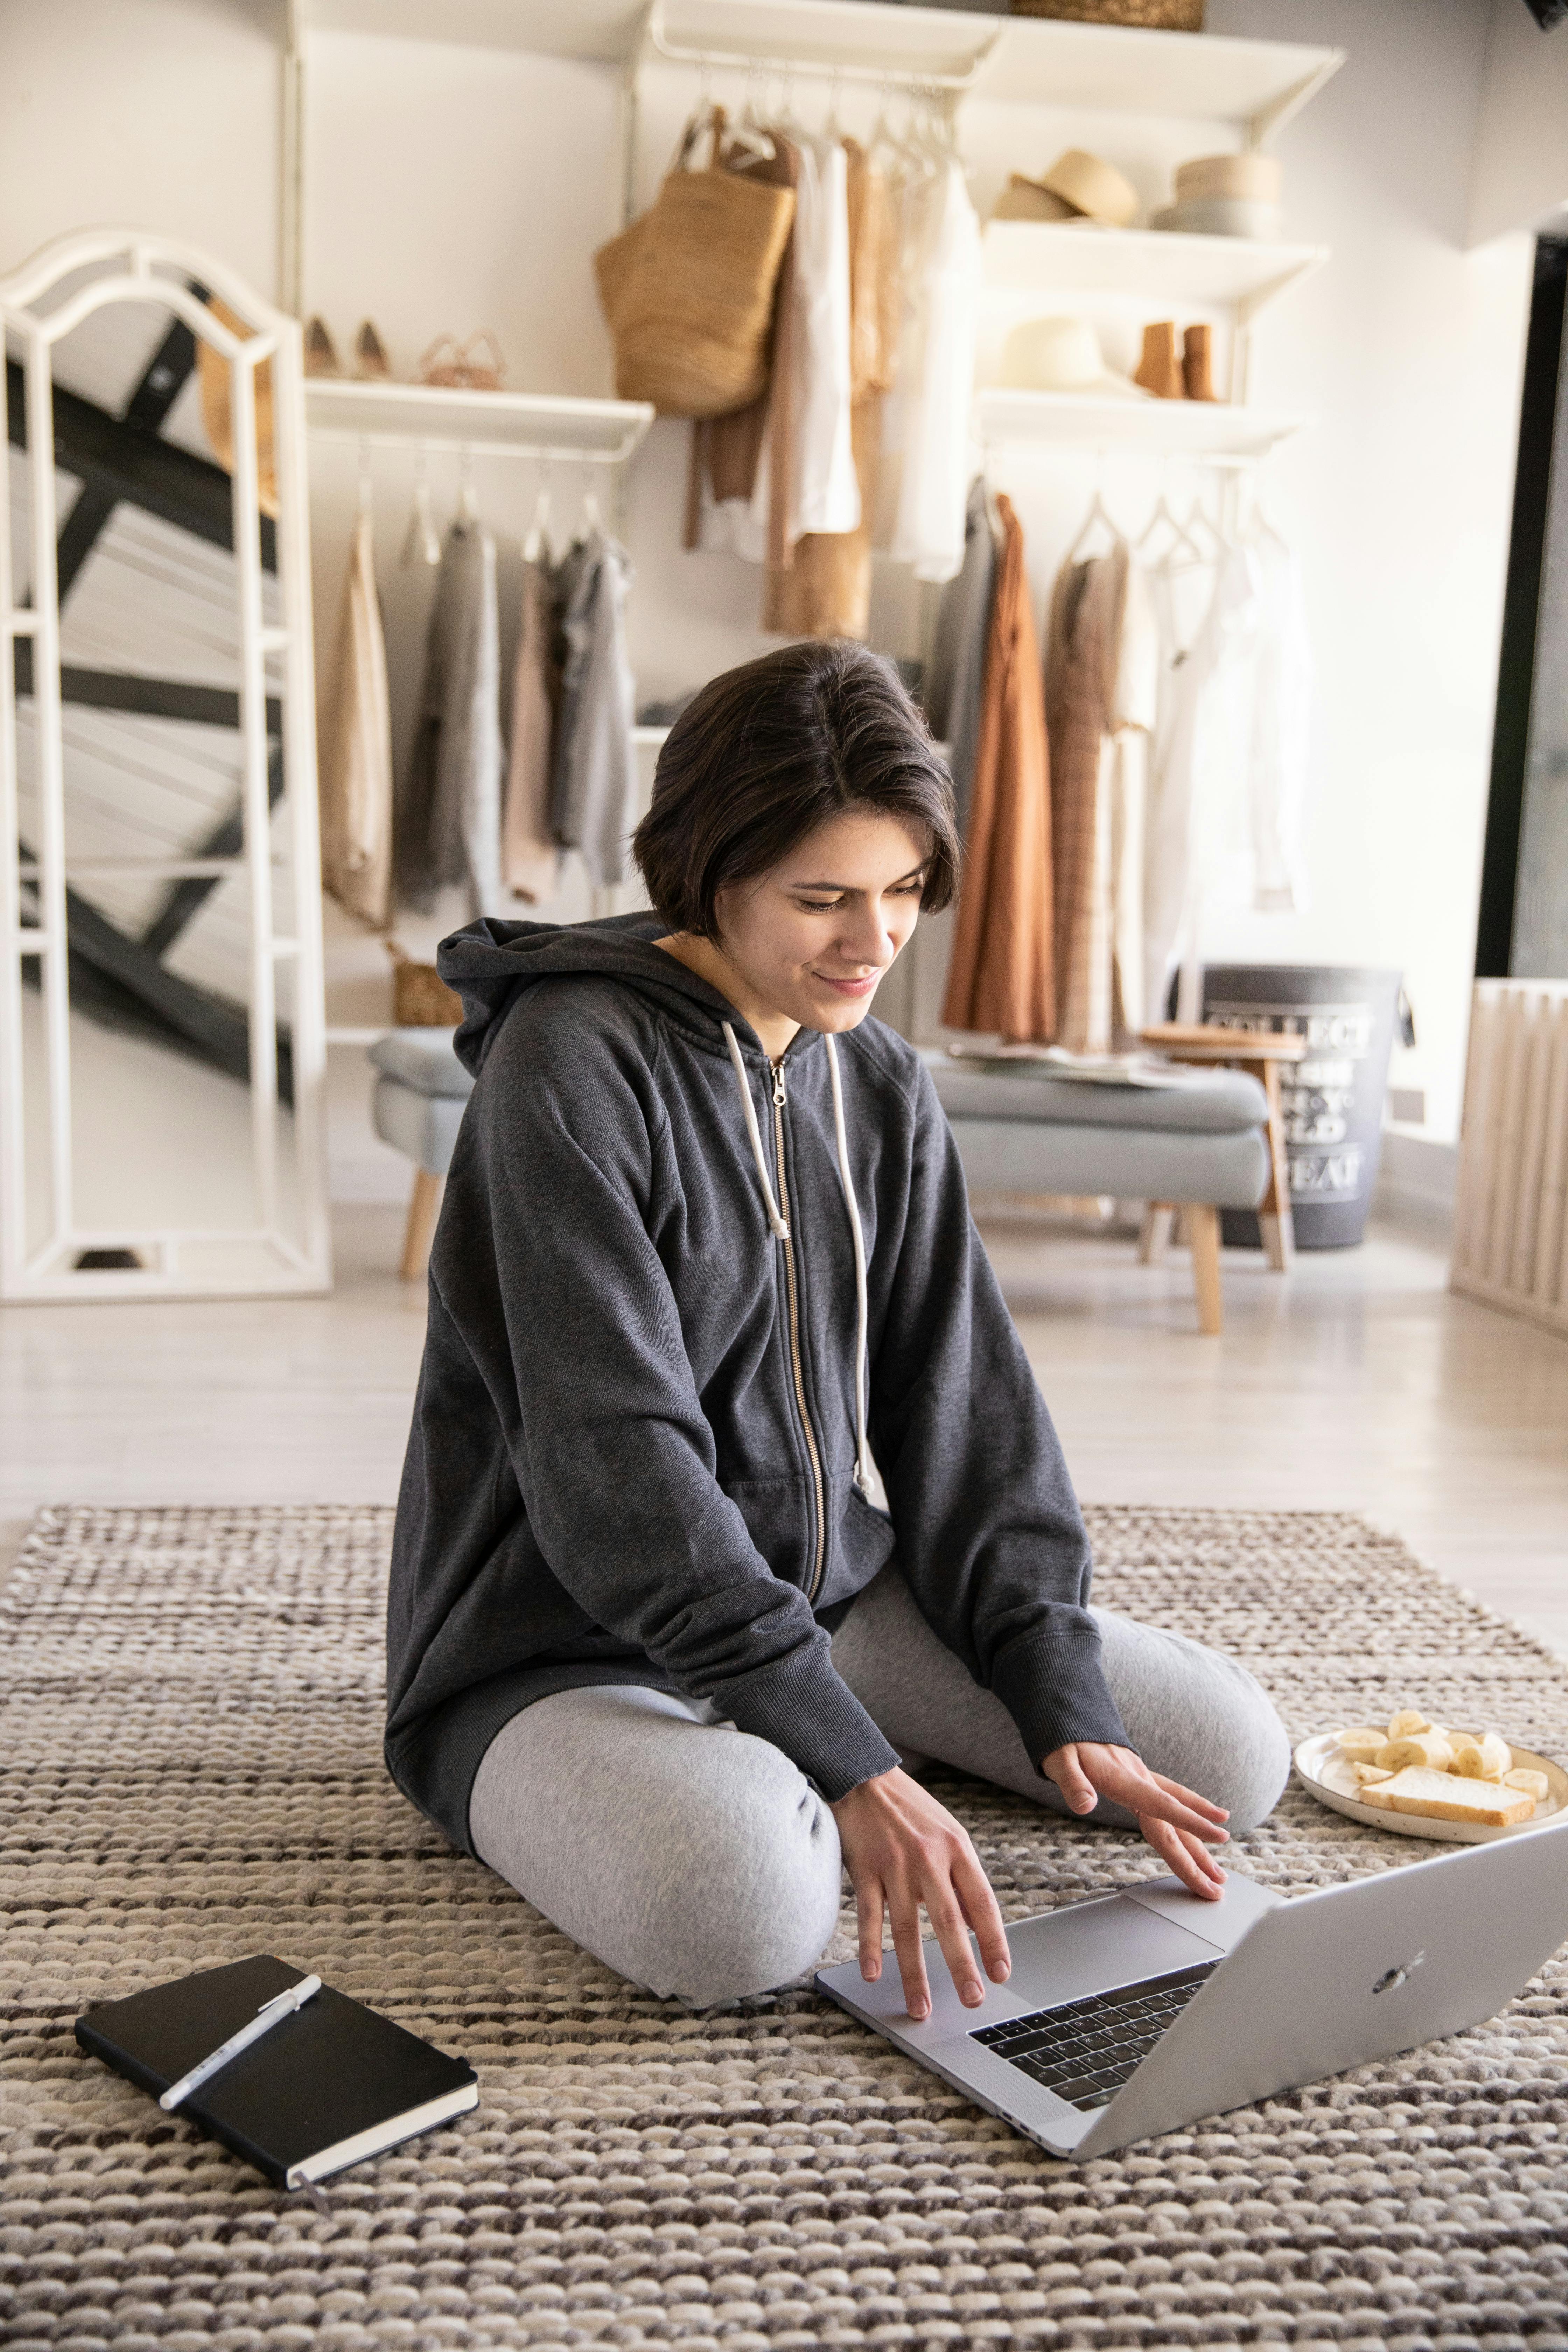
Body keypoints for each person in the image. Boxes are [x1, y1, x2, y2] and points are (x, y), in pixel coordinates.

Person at [385, 641, 1290, 2019]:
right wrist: (853, 1764)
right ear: (710, 871)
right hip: (559, 1643)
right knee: (745, 1907)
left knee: (1225, 1755)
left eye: (903, 892)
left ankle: (781, 1742)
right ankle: (746, 1768)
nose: (873, 942)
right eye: (822, 899)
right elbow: (608, 1458)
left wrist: (1047, 1675)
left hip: (827, 1593)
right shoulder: (563, 1066)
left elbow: (965, 1396)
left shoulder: (872, 1074)